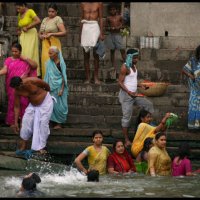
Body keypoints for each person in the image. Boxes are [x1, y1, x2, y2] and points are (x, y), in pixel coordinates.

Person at [118, 48, 154, 147]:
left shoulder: (134, 67)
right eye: (134, 58)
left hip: (135, 94)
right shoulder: (125, 67)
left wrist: (140, 85)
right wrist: (129, 92)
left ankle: (143, 129)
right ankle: (126, 140)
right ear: (129, 57)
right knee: (126, 118)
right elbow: (120, 82)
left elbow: (131, 81)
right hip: (126, 95)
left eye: (137, 57)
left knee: (148, 105)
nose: (136, 60)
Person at [10, 76, 54, 155]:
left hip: (46, 103)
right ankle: (23, 146)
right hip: (33, 105)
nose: (17, 89)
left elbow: (46, 86)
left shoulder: (33, 80)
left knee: (43, 124)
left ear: (21, 83)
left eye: (18, 87)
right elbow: (17, 106)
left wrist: (45, 95)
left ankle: (41, 148)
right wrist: (15, 122)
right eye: (15, 88)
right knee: (26, 122)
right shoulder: (17, 91)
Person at [0, 42, 37, 127]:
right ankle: (12, 121)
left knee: (24, 102)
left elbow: (34, 66)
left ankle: (24, 121)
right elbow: (5, 70)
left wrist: (26, 58)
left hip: (23, 86)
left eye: (16, 51)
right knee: (12, 102)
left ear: (20, 51)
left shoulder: (24, 60)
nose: (14, 53)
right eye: (12, 51)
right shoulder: (8, 60)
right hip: (12, 86)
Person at [39, 3, 67, 79]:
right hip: (45, 43)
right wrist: (41, 36)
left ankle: (56, 83)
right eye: (49, 11)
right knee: (45, 62)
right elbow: (40, 33)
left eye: (53, 11)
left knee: (54, 62)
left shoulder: (57, 19)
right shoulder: (45, 19)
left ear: (56, 11)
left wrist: (52, 34)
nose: (50, 13)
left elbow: (64, 32)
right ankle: (46, 83)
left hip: (54, 43)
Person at [44, 46, 68, 129]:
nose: (49, 55)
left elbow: (63, 77)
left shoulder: (61, 63)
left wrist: (61, 89)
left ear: (56, 54)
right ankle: (52, 122)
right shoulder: (49, 63)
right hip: (51, 88)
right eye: (49, 53)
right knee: (51, 105)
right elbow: (47, 76)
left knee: (60, 106)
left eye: (51, 53)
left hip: (60, 88)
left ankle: (59, 124)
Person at [80, 2, 104, 85]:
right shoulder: (83, 4)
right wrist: (80, 34)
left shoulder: (99, 3)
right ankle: (88, 78)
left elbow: (100, 18)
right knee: (86, 55)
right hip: (85, 27)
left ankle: (96, 78)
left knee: (95, 55)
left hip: (94, 26)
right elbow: (82, 18)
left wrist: (101, 33)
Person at [16, 3, 41, 77]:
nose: (18, 10)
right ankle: (23, 71)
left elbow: (38, 21)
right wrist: (18, 31)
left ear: (23, 6)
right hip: (23, 36)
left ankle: (31, 73)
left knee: (30, 53)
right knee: (23, 53)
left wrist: (28, 27)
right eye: (17, 9)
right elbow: (19, 26)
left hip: (31, 35)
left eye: (19, 8)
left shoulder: (30, 11)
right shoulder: (19, 15)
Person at [182, 45, 200, 130]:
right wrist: (190, 75)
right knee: (194, 107)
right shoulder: (193, 61)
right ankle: (193, 127)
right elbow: (184, 70)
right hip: (195, 90)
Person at [105, 3, 126, 74]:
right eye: (111, 10)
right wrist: (110, 28)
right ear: (109, 11)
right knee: (112, 50)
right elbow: (106, 27)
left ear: (117, 10)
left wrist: (119, 27)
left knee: (122, 49)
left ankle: (126, 64)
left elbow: (123, 26)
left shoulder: (120, 17)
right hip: (111, 35)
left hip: (118, 35)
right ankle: (113, 65)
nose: (112, 11)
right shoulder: (108, 18)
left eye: (114, 9)